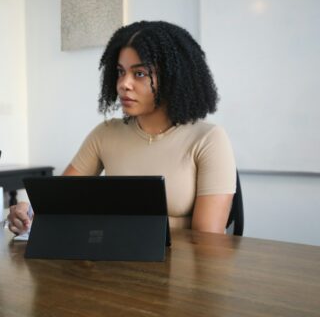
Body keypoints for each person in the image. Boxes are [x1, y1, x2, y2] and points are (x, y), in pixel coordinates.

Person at [8, 20, 236, 235]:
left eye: (139, 73)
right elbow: (56, 203)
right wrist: (27, 211)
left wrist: (111, 221)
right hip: (117, 266)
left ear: (173, 78)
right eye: (120, 72)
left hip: (181, 272)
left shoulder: (208, 139)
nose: (124, 84)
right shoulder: (106, 134)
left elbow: (207, 241)